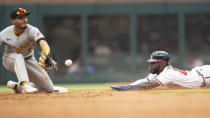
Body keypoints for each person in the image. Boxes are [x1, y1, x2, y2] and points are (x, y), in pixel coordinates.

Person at [0, 8, 67, 93]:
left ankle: (17, 86)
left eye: (25, 17)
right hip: (9, 59)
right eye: (20, 18)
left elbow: (42, 41)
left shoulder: (32, 30)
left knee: (49, 88)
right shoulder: (4, 33)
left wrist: (46, 51)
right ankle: (25, 85)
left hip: (29, 60)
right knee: (18, 57)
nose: (24, 20)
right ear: (13, 21)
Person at [111, 50, 210, 91]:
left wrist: (128, 89)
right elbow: (144, 81)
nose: (151, 64)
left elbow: (149, 85)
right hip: (200, 75)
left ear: (162, 63)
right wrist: (129, 86)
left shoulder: (168, 73)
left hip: (205, 74)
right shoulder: (159, 73)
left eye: (153, 62)